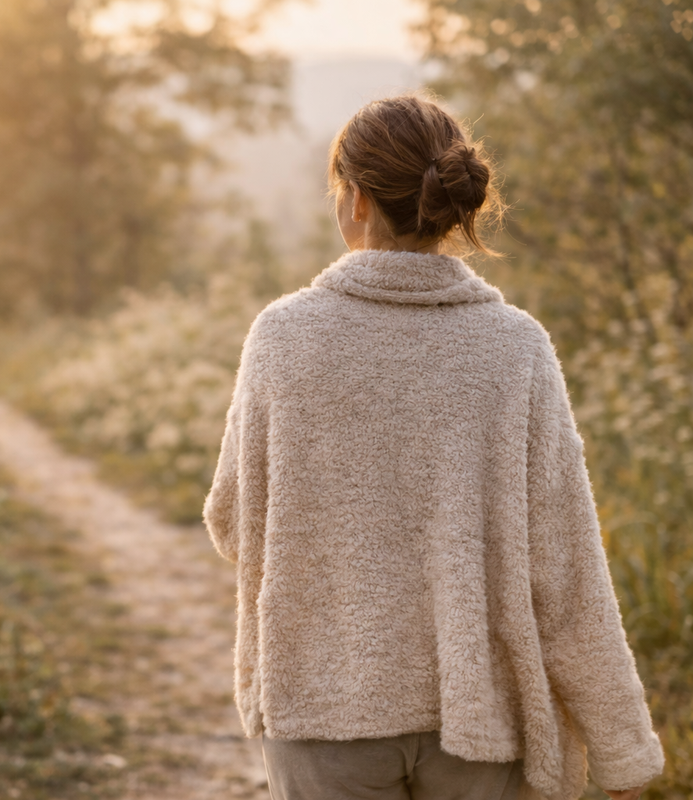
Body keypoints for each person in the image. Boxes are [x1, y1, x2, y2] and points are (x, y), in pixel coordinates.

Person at [202, 95, 664, 800]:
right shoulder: (516, 347)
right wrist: (620, 746)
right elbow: (565, 561)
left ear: (356, 200)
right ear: (452, 206)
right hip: (479, 721)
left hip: (322, 713)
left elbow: (232, 520)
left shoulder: (283, 337)